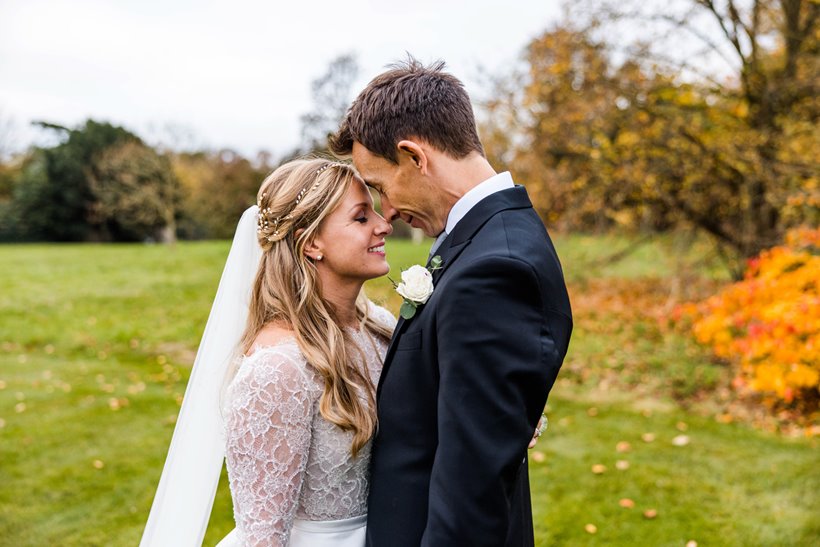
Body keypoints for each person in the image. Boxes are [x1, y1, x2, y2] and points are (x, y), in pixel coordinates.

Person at [330, 58, 573, 547]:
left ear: (414, 156)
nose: (389, 213)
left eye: (380, 186)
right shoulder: (482, 238)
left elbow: (470, 498)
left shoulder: (494, 270)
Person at [141, 158, 396, 546]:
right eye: (361, 218)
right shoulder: (279, 371)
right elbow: (263, 537)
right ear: (311, 242)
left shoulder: (378, 326)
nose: (384, 225)